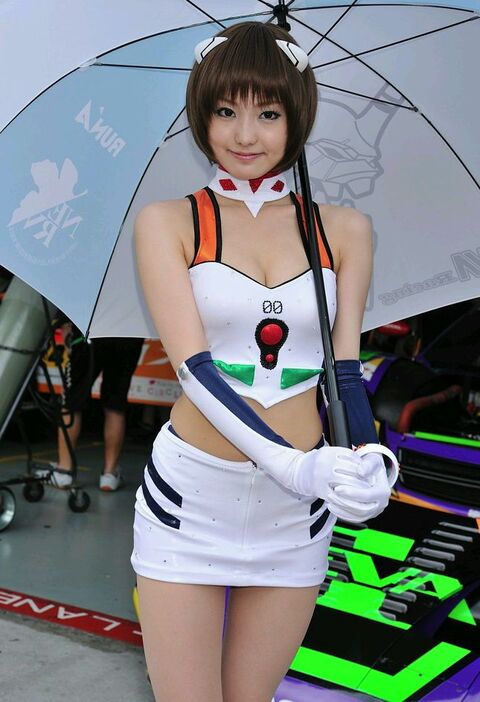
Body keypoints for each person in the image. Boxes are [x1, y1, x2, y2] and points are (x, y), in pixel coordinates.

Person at [131, 22, 398, 702]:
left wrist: (368, 457)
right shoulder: (168, 222)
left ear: (297, 116)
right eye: (226, 110)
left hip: (296, 516)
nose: (245, 134)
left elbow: (343, 370)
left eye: (269, 113)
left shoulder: (347, 230)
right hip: (190, 501)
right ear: (201, 113)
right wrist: (295, 465)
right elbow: (195, 369)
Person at [44, 322, 143, 491]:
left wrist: (67, 326)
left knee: (71, 401)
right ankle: (109, 473)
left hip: (89, 330)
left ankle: (64, 470)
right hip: (128, 333)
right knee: (115, 404)